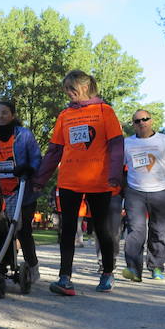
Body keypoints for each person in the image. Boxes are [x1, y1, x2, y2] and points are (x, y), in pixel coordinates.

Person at [33, 70, 124, 295]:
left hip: (99, 181)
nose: (68, 93)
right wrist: (40, 179)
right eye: (65, 89)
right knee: (67, 230)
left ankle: (108, 273)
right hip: (69, 181)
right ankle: (65, 278)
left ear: (83, 87)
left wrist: (114, 175)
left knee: (103, 230)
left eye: (70, 88)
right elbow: (55, 151)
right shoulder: (65, 115)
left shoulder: (105, 111)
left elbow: (116, 146)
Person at [0, 98, 43, 282]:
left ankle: (32, 266)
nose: (1, 116)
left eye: (4, 112)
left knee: (23, 231)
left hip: (22, 191)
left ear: (13, 114)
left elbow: (36, 158)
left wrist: (28, 168)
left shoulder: (24, 135)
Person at [119, 110, 165, 282]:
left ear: (151, 121)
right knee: (136, 231)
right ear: (133, 124)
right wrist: (125, 189)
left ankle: (156, 266)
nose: (141, 122)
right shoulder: (127, 143)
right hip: (135, 193)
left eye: (145, 119)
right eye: (137, 121)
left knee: (158, 231)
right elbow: (118, 168)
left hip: (160, 193)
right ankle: (133, 269)